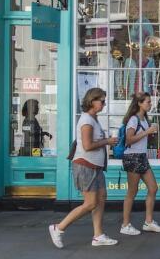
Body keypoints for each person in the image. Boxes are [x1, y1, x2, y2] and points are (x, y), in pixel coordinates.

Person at [48, 88, 119, 249]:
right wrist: (107, 141)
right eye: (102, 100)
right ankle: (58, 228)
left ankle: (98, 235)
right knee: (90, 203)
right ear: (92, 101)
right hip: (85, 166)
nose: (104, 103)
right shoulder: (87, 120)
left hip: (96, 167)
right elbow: (87, 146)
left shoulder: (93, 118)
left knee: (101, 199)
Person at [120, 92, 160, 235]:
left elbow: (141, 139)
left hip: (142, 157)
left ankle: (148, 222)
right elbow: (129, 140)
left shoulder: (144, 119)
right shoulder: (133, 119)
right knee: (132, 192)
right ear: (139, 103)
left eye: (150, 102)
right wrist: (147, 132)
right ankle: (125, 225)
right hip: (132, 157)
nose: (150, 104)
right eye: (147, 102)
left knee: (153, 188)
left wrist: (150, 133)